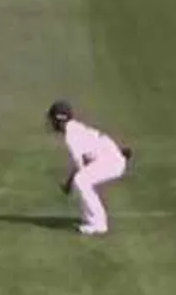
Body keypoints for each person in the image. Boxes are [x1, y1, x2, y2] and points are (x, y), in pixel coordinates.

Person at [47, 100, 132, 235]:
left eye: (52, 119)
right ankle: (90, 218)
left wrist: (69, 184)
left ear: (59, 120)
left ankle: (98, 223)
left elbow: (80, 165)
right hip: (111, 158)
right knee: (81, 180)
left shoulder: (71, 135)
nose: (51, 123)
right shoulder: (74, 128)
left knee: (81, 181)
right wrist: (69, 183)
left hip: (111, 162)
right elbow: (84, 160)